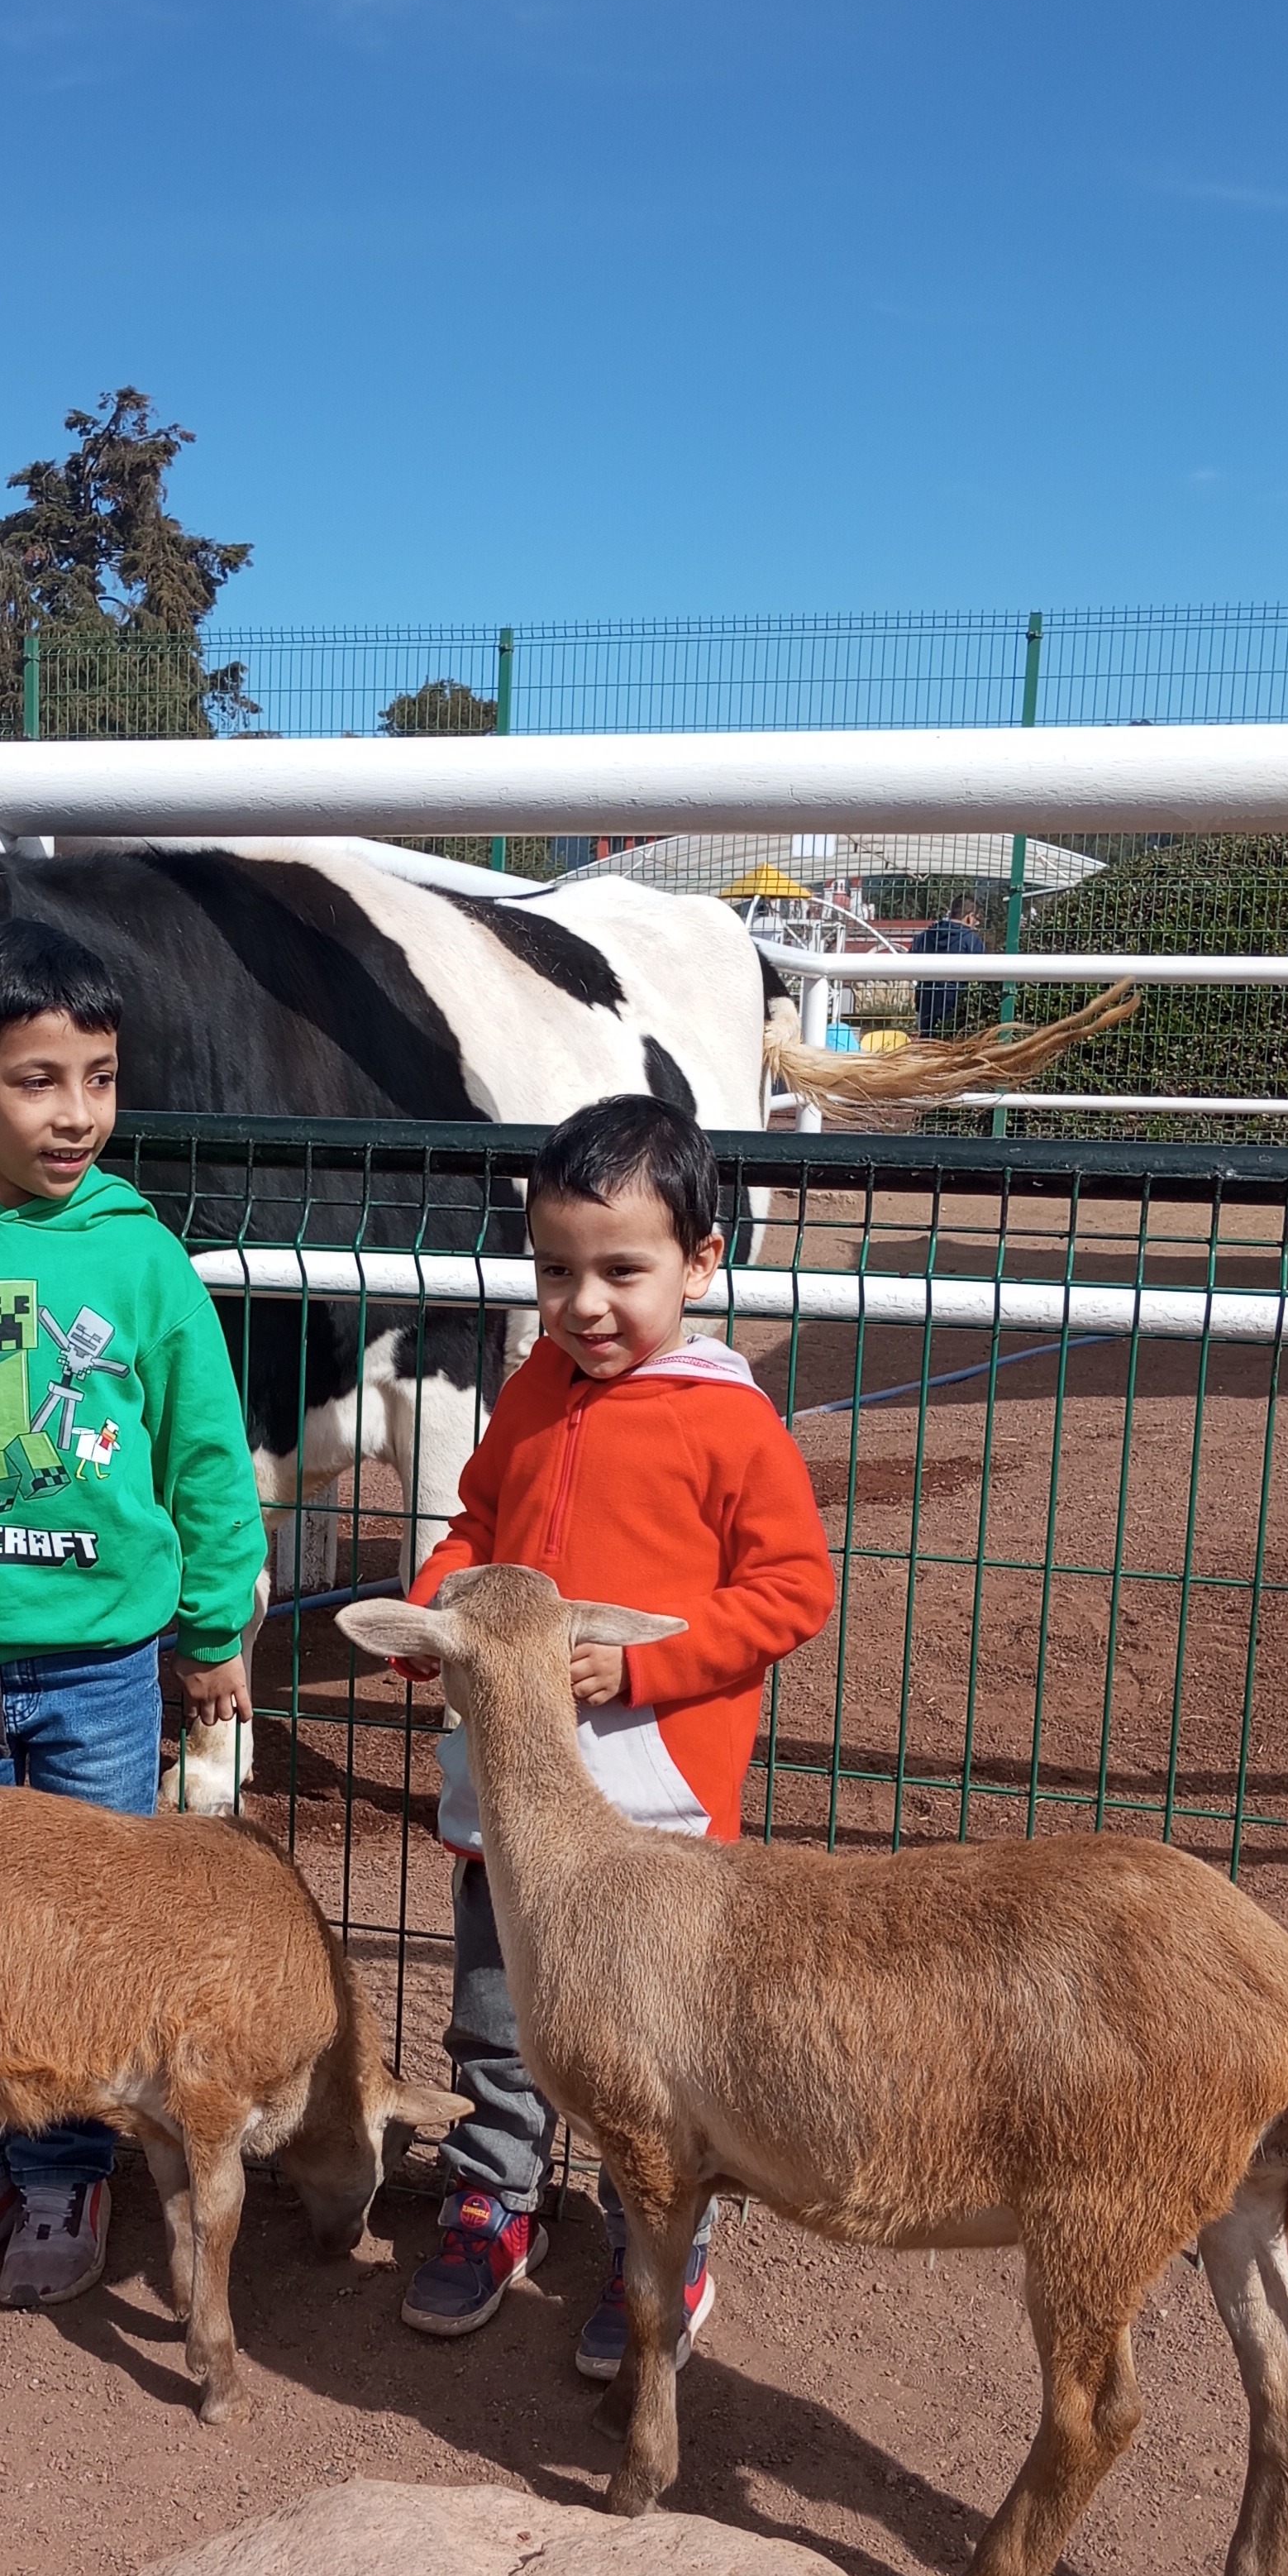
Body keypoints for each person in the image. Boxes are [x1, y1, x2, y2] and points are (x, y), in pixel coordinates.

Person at [0, 916, 266, 2312]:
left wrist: (215, 1630)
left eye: (101, 1077)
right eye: (38, 1081)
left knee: (84, 1932)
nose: (77, 1113)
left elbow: (206, 1452)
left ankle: (69, 2170)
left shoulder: (141, 1261)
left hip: (101, 1672)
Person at [387, 1092, 836, 2371]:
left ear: (701, 1262)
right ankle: (496, 2200)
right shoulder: (535, 1389)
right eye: (555, 1272)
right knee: (499, 2013)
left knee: (656, 2046)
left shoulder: (730, 1421)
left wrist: (648, 1666)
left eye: (621, 1272)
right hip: (513, 1799)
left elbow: (794, 1589)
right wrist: (439, 1614)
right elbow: (477, 1526)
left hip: (653, 1814)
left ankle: (661, 2248)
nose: (583, 1306)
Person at [912, 892, 988, 1039]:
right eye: (976, 921)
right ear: (970, 917)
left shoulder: (926, 936)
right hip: (958, 1009)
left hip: (927, 1005)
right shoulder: (972, 941)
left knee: (927, 1045)